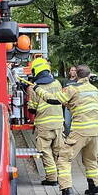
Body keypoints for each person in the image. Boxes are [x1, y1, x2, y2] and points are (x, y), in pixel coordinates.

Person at [54, 65, 98, 195]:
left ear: (77, 75)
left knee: (64, 158)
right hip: (95, 130)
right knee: (91, 159)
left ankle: (66, 189)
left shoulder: (72, 88)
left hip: (81, 130)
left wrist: (38, 90)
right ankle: (95, 186)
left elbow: (55, 100)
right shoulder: (95, 90)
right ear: (88, 75)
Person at [26, 58, 64, 186]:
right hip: (59, 123)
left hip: (44, 125)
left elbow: (32, 109)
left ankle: (51, 178)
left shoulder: (34, 88)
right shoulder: (57, 83)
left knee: (46, 151)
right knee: (58, 151)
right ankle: (62, 177)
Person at [62, 65, 78, 135]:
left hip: (76, 105)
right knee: (67, 123)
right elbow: (62, 92)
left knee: (75, 124)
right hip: (67, 106)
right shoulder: (65, 81)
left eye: (75, 70)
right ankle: (68, 137)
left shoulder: (78, 81)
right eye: (72, 70)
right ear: (69, 72)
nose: (73, 72)